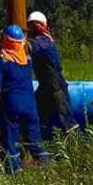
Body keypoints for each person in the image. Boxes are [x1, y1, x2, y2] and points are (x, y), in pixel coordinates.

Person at [0, 24, 49, 174]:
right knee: (33, 138)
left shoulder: (2, 61)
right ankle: (46, 167)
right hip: (30, 105)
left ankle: (15, 171)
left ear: (6, 41)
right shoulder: (27, 60)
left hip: (12, 104)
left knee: (10, 139)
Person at [27, 11, 78, 139]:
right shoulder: (43, 39)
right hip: (46, 86)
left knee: (67, 119)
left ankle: (79, 148)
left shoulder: (43, 41)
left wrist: (14, 41)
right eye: (30, 25)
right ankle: (36, 142)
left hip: (56, 87)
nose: (32, 28)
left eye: (35, 25)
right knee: (37, 115)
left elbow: (30, 48)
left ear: (43, 26)